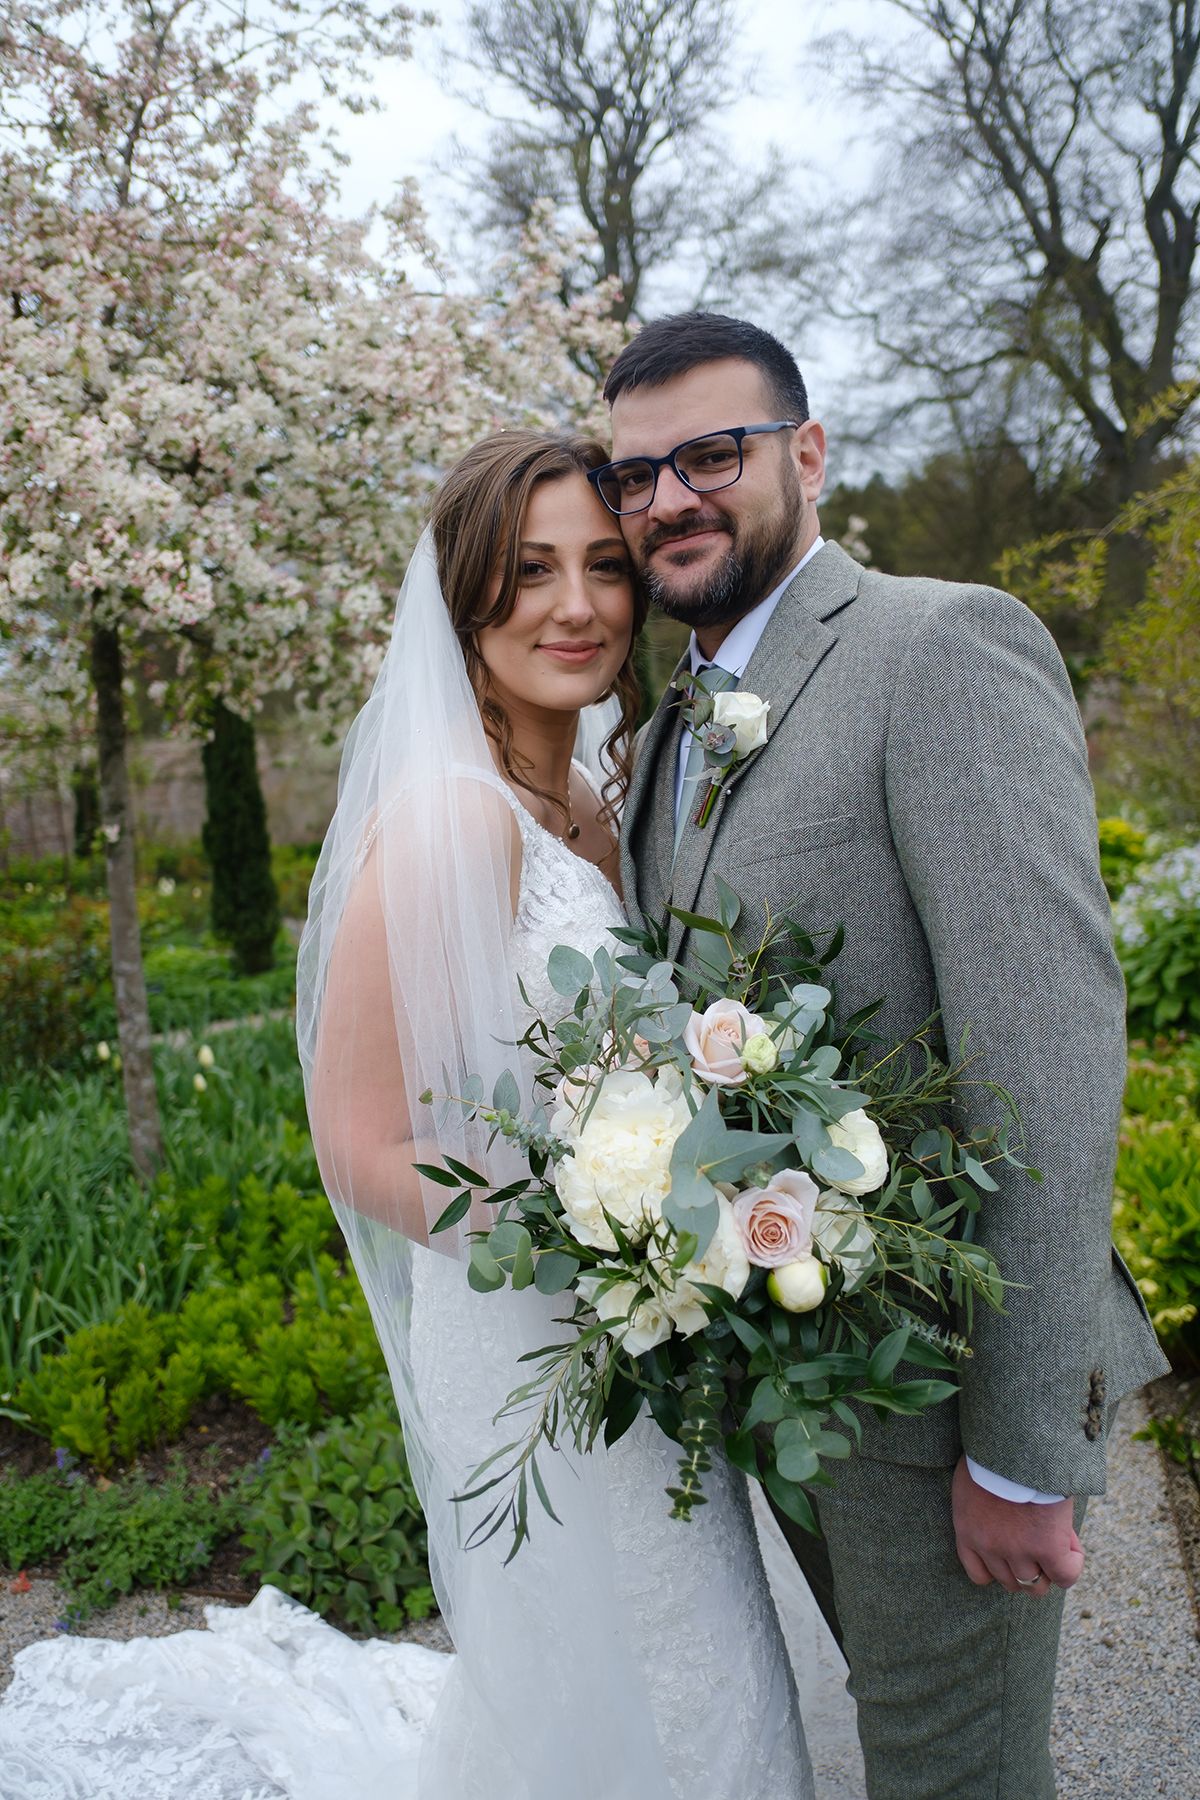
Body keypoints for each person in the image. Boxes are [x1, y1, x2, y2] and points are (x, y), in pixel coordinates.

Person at [0, 429, 815, 1799]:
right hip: (532, 1329)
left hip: (641, 1328)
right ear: (463, 604)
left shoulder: (596, 815)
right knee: (619, 1675)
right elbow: (361, 1143)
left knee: (693, 1649)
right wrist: (605, 1251)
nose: (575, 606)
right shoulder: (455, 820)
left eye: (604, 568)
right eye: (528, 572)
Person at [602, 311, 1170, 1800]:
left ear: (808, 453)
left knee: (955, 1778)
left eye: (709, 455)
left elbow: (1043, 1055)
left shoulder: (941, 647)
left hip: (940, 1407)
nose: (668, 499)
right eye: (634, 473)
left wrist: (1026, 1448)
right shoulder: (670, 724)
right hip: (795, 1387)